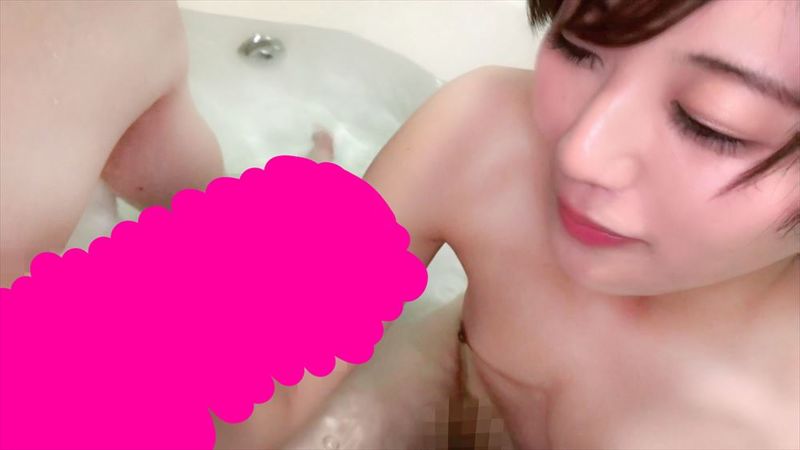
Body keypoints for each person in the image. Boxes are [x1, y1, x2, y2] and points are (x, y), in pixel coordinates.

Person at [356, 0, 799, 448]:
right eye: (578, 45)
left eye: (710, 124)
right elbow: (306, 343)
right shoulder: (481, 131)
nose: (578, 155)